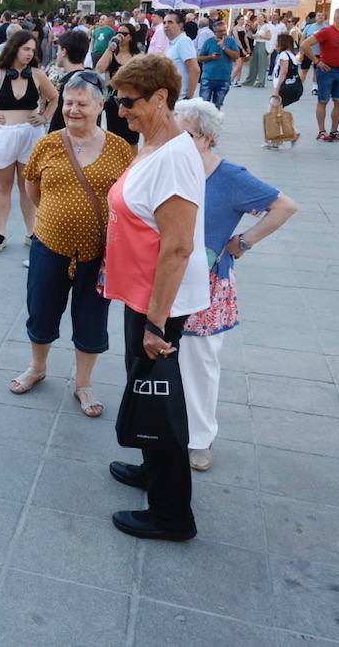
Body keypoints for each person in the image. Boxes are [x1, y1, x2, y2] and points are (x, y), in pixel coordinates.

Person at [103, 53, 210, 542]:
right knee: (143, 388)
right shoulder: (151, 142)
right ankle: (151, 469)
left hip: (157, 303)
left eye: (128, 103)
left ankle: (172, 515)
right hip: (140, 293)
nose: (120, 111)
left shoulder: (173, 157)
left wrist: (154, 324)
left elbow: (179, 246)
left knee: (157, 397)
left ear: (161, 97)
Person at [174, 98, 298, 471]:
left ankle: (199, 439)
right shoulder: (171, 169)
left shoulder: (229, 176)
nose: (175, 144)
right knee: (163, 358)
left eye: (185, 136)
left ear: (207, 138)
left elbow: (285, 206)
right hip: (166, 279)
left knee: (199, 362)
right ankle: (165, 427)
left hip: (207, 284)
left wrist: (242, 243)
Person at [12, 72, 134, 416]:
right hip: (49, 245)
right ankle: (37, 367)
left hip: (98, 253)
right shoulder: (48, 143)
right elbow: (32, 188)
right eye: (68, 102)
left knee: (91, 317)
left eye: (82, 103)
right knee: (41, 308)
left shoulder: (119, 148)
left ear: (99, 105)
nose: (73, 109)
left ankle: (84, 383)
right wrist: (57, 216)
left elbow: (126, 197)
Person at [0, 31, 58, 253]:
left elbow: (55, 96)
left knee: (28, 186)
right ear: (15, 48)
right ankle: (0, 232)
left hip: (31, 134)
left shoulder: (37, 74)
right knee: (3, 186)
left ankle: (31, 230)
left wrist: (45, 116)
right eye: (25, 48)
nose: (29, 53)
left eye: (32, 50)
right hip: (4, 134)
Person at [301, 8, 339, 142]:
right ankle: (322, 131)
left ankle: (334, 131)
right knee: (323, 101)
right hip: (326, 71)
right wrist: (316, 61)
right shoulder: (326, 31)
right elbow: (305, 44)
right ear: (337, 18)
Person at [95, 22, 142, 146]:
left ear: (131, 37)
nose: (120, 36)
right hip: (113, 101)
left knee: (131, 139)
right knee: (113, 139)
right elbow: (99, 68)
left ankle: (132, 165)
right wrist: (110, 48)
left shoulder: (137, 55)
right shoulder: (112, 54)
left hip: (131, 101)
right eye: (118, 33)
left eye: (124, 34)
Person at [264, 33, 303, 150]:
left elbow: (283, 72)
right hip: (293, 87)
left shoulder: (283, 55)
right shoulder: (291, 55)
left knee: (272, 112)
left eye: (277, 41)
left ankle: (279, 139)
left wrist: (277, 90)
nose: (276, 44)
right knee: (276, 112)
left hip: (285, 88)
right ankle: (286, 137)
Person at [195, 19, 234, 108]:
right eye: (220, 31)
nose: (223, 33)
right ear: (214, 32)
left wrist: (224, 47)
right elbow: (200, 58)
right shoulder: (209, 42)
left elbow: (236, 56)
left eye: (224, 30)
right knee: (204, 105)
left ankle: (214, 122)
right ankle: (204, 122)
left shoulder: (231, 41)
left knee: (217, 106)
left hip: (224, 79)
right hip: (208, 78)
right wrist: (211, 57)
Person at [162, 11, 200, 100]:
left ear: (180, 25)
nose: (166, 25)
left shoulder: (183, 41)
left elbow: (195, 69)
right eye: (164, 23)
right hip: (172, 97)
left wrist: (188, 96)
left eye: (170, 22)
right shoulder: (173, 43)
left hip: (180, 99)